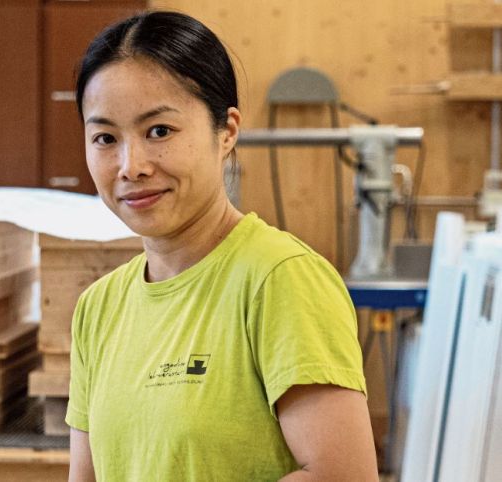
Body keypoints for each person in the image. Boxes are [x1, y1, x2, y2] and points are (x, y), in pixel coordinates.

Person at [65, 11, 378, 482]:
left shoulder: (280, 278)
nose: (131, 165)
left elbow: (343, 477)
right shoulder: (98, 308)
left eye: (159, 131)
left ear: (226, 131)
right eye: (106, 138)